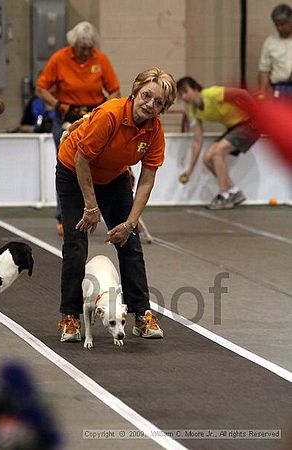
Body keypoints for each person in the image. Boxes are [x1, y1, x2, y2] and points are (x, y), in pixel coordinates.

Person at [56, 67, 176, 342]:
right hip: (73, 170)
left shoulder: (154, 131)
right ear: (135, 91)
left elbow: (147, 179)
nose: (150, 104)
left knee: (130, 243)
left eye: (159, 102)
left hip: (113, 177)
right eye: (147, 95)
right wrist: (90, 207)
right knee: (76, 244)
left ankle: (142, 315)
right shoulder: (110, 114)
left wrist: (129, 224)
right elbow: (81, 160)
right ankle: (70, 317)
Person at [35, 21, 120, 236]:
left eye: (89, 48)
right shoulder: (60, 58)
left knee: (97, 165)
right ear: (74, 44)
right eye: (82, 48)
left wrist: (105, 108)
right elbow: (41, 88)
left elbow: (115, 90)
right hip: (66, 116)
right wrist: (57, 105)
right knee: (67, 166)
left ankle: (97, 212)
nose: (86, 52)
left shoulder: (100, 59)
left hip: (93, 117)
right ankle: (64, 217)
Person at [176, 77, 260, 209]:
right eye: (181, 95)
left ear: (195, 87)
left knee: (218, 152)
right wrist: (189, 170)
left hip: (249, 124)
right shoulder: (194, 111)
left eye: (185, 91)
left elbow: (242, 94)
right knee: (208, 157)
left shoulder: (212, 93)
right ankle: (233, 191)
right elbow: (197, 142)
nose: (184, 96)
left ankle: (224, 195)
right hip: (234, 127)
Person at [258, 4, 292, 99]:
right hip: (280, 88)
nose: (280, 28)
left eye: (283, 24)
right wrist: (262, 93)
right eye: (277, 25)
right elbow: (264, 70)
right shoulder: (270, 42)